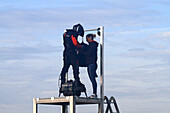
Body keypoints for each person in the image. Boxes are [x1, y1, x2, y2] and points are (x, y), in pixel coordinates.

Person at [82, 34, 98, 98]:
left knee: (92, 79)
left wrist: (83, 50)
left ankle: (94, 93)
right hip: (90, 64)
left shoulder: (93, 45)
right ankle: (94, 93)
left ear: (90, 37)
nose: (86, 40)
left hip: (91, 64)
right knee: (92, 78)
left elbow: (89, 53)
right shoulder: (91, 45)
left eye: (87, 38)